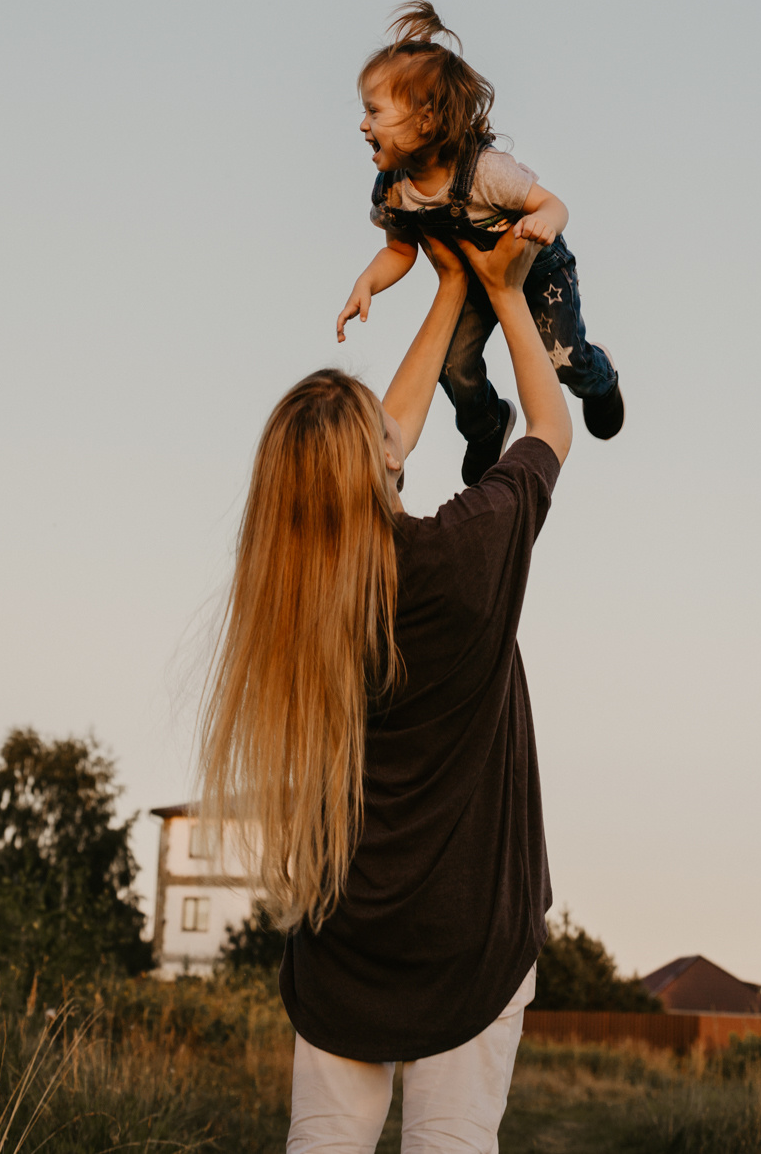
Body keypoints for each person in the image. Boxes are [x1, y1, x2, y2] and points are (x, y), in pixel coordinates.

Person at [199, 225, 572, 1153]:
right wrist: (506, 292)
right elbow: (551, 428)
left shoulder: (284, 604)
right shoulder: (460, 558)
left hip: (345, 941)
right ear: (386, 462)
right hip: (469, 936)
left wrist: (449, 290)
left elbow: (374, 450)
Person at [336, 0, 623, 486]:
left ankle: (601, 379)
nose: (363, 125)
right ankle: (487, 425)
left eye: (374, 111)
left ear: (425, 121)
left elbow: (554, 204)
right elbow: (399, 250)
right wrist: (368, 281)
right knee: (452, 367)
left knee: (564, 360)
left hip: (534, 269)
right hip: (474, 280)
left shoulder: (487, 172)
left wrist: (544, 225)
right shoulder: (394, 189)